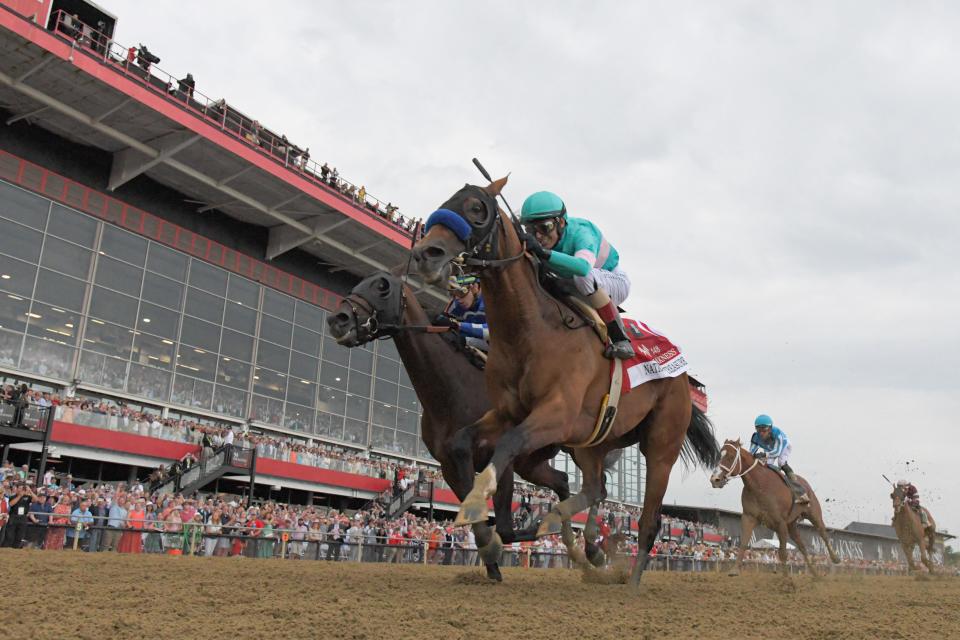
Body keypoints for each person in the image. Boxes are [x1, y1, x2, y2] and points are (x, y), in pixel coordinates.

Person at [519, 191, 635, 359]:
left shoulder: (582, 232)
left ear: (561, 222)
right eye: (530, 230)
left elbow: (582, 268)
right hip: (576, 284)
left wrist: (543, 252)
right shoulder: (543, 237)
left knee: (582, 276)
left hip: (614, 281)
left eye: (544, 228)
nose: (538, 236)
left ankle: (620, 338)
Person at [749, 414, 809, 504]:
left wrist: (762, 454)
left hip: (784, 447)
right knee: (766, 465)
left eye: (764, 430)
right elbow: (751, 453)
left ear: (770, 428)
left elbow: (777, 452)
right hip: (770, 449)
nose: (761, 433)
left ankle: (801, 493)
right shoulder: (755, 437)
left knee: (781, 463)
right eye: (758, 429)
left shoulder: (778, 434)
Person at [445, 275, 489, 352]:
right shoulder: (456, 305)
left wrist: (458, 325)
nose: (458, 299)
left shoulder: (491, 302)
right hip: (471, 343)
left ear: (475, 287)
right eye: (453, 294)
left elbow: (491, 333)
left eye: (460, 292)